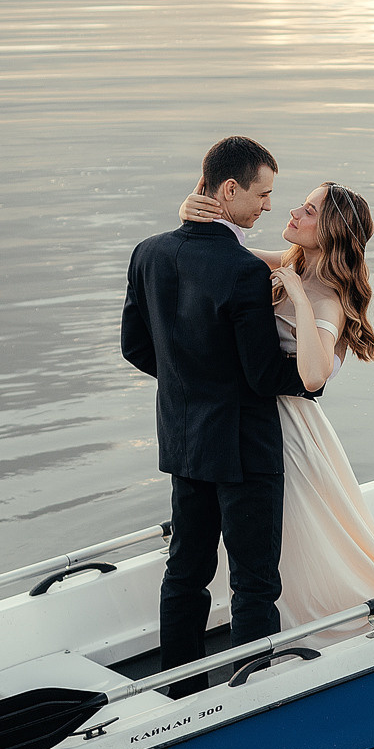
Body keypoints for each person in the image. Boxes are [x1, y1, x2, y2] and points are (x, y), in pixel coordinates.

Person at [177, 176, 374, 630]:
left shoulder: (328, 298)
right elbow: (221, 252)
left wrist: (297, 295)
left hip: (287, 431)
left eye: (309, 211)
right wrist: (193, 214)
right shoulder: (290, 261)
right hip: (252, 419)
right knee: (269, 538)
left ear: (330, 231)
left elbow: (313, 376)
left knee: (284, 538)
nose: (293, 212)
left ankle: (292, 627)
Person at [122, 135, 311, 697]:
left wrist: (190, 385)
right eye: (262, 194)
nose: (269, 207)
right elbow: (260, 376)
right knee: (254, 583)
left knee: (186, 571)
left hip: (184, 439)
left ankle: (178, 691)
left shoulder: (149, 252)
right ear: (229, 190)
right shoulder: (241, 271)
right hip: (244, 447)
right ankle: (253, 694)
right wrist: (311, 378)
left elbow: (135, 347)